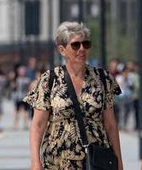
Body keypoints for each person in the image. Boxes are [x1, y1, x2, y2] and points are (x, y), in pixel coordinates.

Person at [26, 22, 122, 170]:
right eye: (76, 45)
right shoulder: (49, 80)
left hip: (96, 160)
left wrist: (118, 162)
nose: (82, 49)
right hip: (57, 160)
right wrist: (35, 162)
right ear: (62, 50)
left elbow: (110, 125)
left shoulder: (103, 79)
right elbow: (38, 125)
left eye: (86, 44)